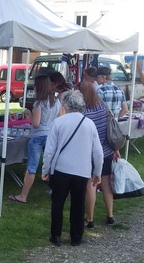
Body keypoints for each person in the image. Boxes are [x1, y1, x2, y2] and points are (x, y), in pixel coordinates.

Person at [41, 91, 102, 247]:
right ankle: (76, 237)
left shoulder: (59, 122)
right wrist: (97, 172)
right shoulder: (89, 124)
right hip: (82, 170)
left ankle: (56, 235)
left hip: (61, 168)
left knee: (57, 203)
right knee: (78, 204)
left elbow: (49, 150)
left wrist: (45, 169)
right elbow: (98, 152)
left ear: (65, 105)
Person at [8, 75, 63, 204]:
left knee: (32, 166)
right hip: (51, 136)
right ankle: (55, 190)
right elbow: (60, 118)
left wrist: (29, 113)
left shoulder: (39, 104)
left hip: (38, 136)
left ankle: (23, 196)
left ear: (39, 87)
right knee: (52, 165)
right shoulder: (56, 101)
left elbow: (36, 123)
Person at [79, 81, 118, 228]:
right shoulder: (103, 106)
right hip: (106, 151)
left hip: (90, 153)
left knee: (91, 185)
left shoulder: (83, 112)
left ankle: (89, 219)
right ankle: (110, 215)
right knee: (106, 185)